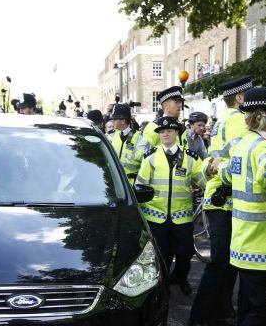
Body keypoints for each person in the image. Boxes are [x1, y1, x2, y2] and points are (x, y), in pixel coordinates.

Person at [210, 87, 266, 325]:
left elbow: (226, 173)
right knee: (265, 312)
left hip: (244, 244)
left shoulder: (244, 144)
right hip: (261, 245)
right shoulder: (263, 146)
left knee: (249, 306)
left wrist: (212, 166)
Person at [190, 75, 252, 326]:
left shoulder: (226, 118)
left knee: (224, 264)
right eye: (248, 96)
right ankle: (199, 317)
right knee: (221, 264)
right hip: (224, 200)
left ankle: (221, 312)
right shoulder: (238, 120)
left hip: (219, 198)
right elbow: (240, 160)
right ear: (239, 98)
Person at [136, 116, 206, 296]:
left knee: (185, 252)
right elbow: (141, 185)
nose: (165, 134)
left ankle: (180, 278)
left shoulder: (191, 157)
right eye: (162, 131)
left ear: (177, 133)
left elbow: (202, 180)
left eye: (169, 131)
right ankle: (163, 283)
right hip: (155, 215)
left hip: (182, 215)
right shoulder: (150, 156)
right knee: (161, 255)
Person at [139, 86, 188, 152]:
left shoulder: (181, 127)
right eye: (176, 102)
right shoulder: (154, 126)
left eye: (180, 102)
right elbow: (142, 153)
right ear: (166, 106)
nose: (180, 105)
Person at [107, 104, 143, 184]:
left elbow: (146, 165)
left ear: (123, 121)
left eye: (115, 119)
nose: (112, 121)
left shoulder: (139, 138)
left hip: (130, 187)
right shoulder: (110, 136)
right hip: (113, 183)